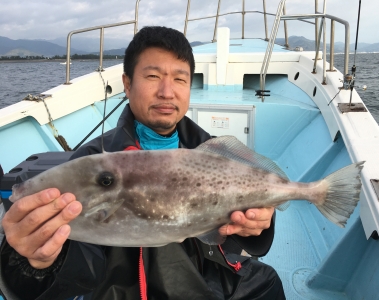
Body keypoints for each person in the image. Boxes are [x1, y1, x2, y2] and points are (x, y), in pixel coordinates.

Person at [0, 26, 285, 300]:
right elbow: (82, 256)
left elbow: (224, 236)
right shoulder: (94, 162)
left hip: (207, 278)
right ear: (127, 84)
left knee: (268, 282)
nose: (166, 91)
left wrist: (259, 223)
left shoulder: (211, 152)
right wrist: (36, 262)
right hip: (124, 287)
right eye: (152, 76)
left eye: (179, 79)